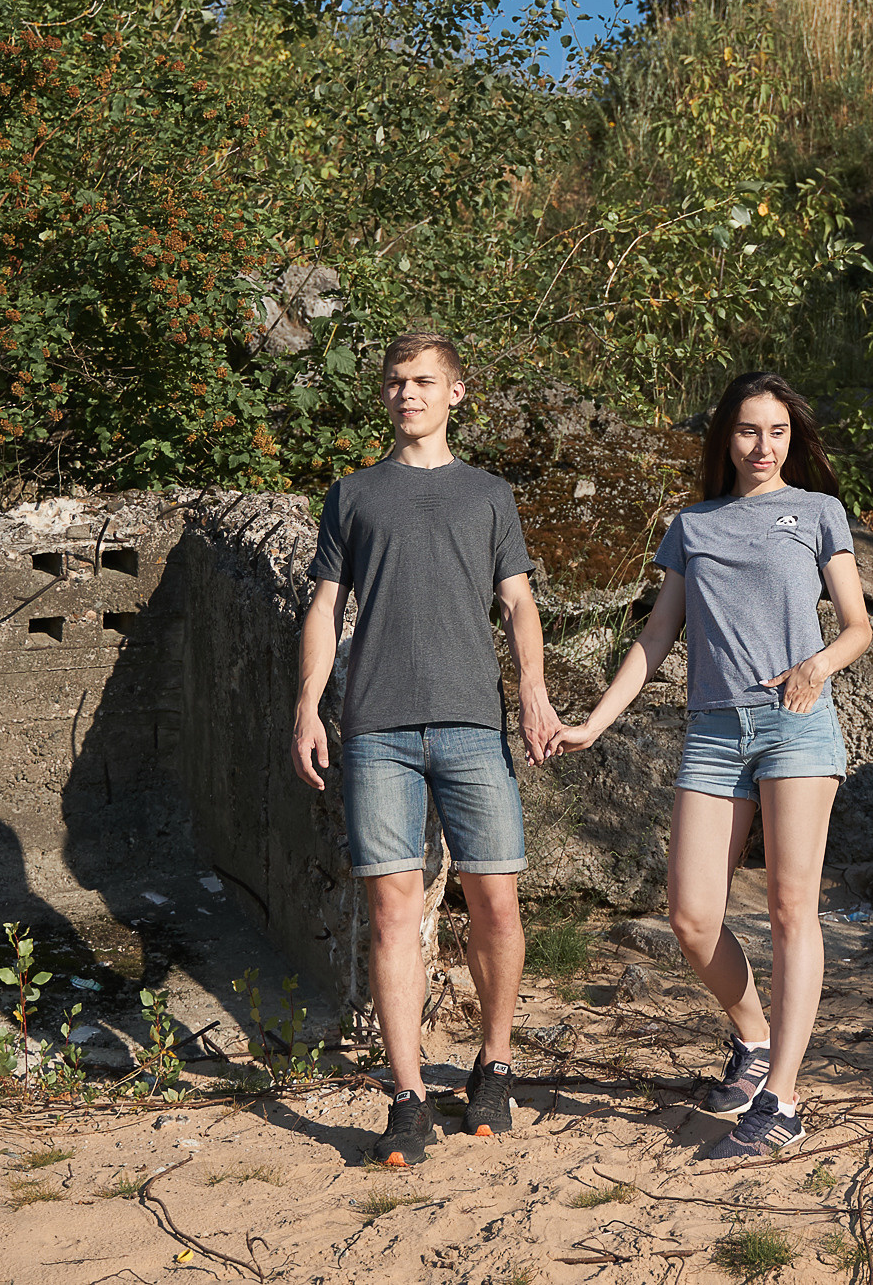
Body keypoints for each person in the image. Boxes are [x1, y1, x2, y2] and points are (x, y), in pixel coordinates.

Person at [541, 371, 871, 1161]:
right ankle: (754, 1038)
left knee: (793, 908)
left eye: (779, 432)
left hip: (796, 726)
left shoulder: (819, 513)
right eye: (750, 430)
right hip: (713, 733)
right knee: (690, 915)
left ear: (794, 438)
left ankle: (784, 1099)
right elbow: (655, 639)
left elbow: (860, 627)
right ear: (727, 436)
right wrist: (594, 721)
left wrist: (814, 667)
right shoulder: (692, 525)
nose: (764, 445)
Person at [291, 332, 560, 1168]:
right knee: (391, 911)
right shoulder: (354, 495)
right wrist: (307, 703)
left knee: (497, 902)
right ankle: (406, 1096)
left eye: (425, 381)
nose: (409, 394)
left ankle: (495, 1061)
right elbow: (326, 607)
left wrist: (534, 691)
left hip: (474, 723)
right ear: (385, 395)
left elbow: (518, 605)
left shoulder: (488, 495)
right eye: (398, 382)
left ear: (456, 392)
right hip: (377, 728)